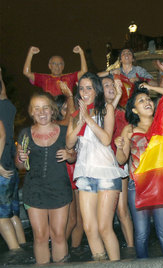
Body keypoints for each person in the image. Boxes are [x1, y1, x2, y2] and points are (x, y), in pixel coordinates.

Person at [66, 72, 127, 261]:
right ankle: (101, 262)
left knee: (104, 227)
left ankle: (116, 264)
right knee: (89, 227)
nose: (84, 92)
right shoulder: (75, 115)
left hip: (107, 173)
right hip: (85, 174)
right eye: (81, 88)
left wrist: (89, 119)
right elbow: (68, 144)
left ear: (96, 90)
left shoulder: (106, 108)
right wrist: (80, 121)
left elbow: (107, 139)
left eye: (89, 88)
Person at [115, 86, 163, 258]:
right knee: (141, 234)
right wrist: (119, 147)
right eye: (141, 101)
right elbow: (121, 160)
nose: (147, 102)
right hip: (137, 186)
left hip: (162, 185)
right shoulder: (130, 129)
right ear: (134, 110)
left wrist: (150, 87)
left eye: (148, 99)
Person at [16, 92, 75, 264]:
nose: (42, 112)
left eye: (46, 108)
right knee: (40, 236)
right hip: (34, 191)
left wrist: (69, 154)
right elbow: (19, 165)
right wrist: (20, 158)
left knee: (58, 234)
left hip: (59, 189)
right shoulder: (25, 133)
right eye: (37, 108)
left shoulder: (65, 131)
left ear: (52, 110)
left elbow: (74, 156)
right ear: (31, 112)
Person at [101, 76, 134, 249]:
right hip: (99, 165)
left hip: (119, 162)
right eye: (106, 85)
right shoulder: (97, 112)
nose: (111, 87)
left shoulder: (122, 112)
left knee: (122, 209)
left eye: (113, 84)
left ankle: (131, 248)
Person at [53, 87, 85, 252]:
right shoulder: (56, 125)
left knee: (80, 221)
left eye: (69, 107)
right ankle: (57, 250)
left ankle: (73, 251)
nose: (69, 111)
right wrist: (70, 96)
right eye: (64, 108)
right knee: (72, 220)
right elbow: (68, 119)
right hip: (65, 173)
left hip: (77, 170)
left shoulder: (74, 122)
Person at [0, 69, 26, 251]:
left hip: (1, 167)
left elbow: (0, 135)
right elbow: (3, 92)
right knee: (13, 213)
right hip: (10, 164)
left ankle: (16, 255)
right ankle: (23, 248)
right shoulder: (6, 104)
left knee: (1, 217)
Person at [23, 45, 87, 96]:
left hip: (66, 110)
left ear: (63, 66)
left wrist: (81, 53)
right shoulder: (44, 78)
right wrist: (30, 53)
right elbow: (26, 72)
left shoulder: (69, 77)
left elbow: (84, 71)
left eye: (60, 64)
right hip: (50, 109)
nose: (57, 66)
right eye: (54, 64)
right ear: (49, 66)